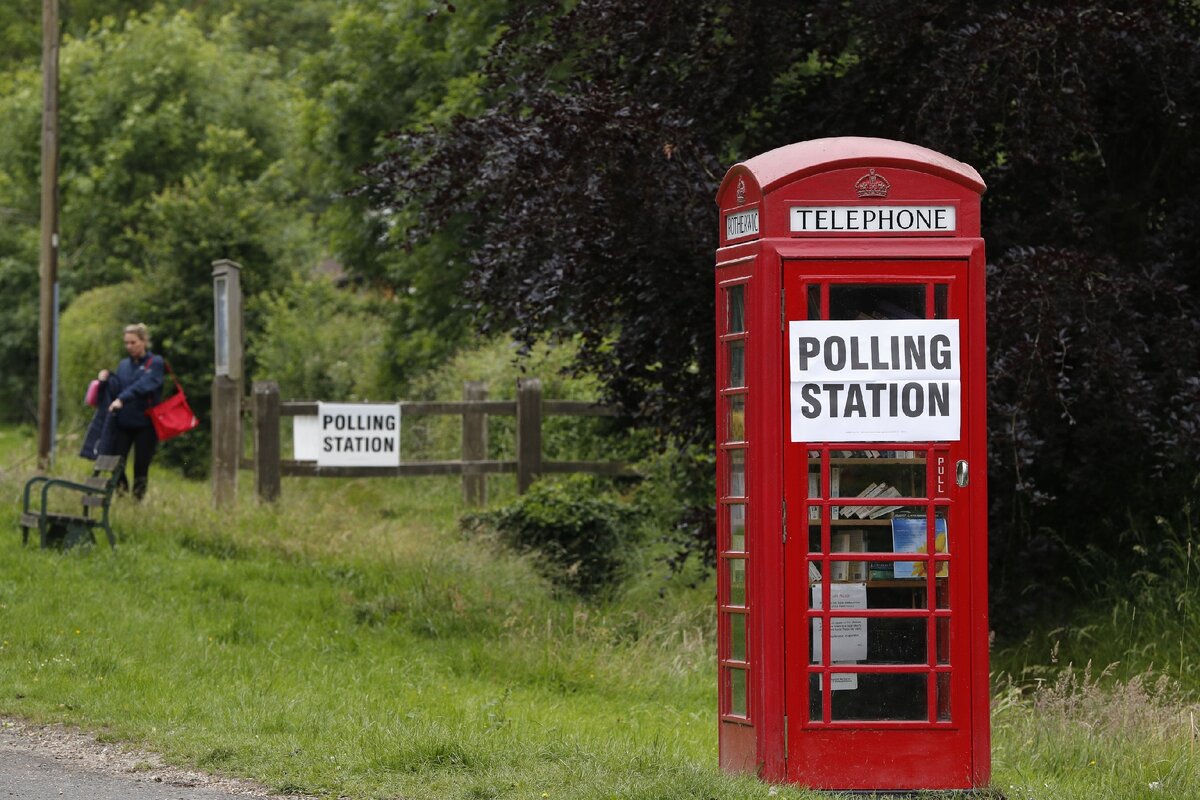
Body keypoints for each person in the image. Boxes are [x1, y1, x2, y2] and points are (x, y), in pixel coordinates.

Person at [97, 323, 164, 500]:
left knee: (141, 466)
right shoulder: (123, 365)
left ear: (144, 342)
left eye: (133, 342)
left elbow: (143, 386)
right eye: (126, 343)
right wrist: (107, 378)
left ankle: (137, 502)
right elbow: (117, 386)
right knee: (116, 463)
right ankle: (122, 494)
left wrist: (122, 399)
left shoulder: (155, 363)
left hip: (146, 424)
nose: (129, 347)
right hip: (123, 422)